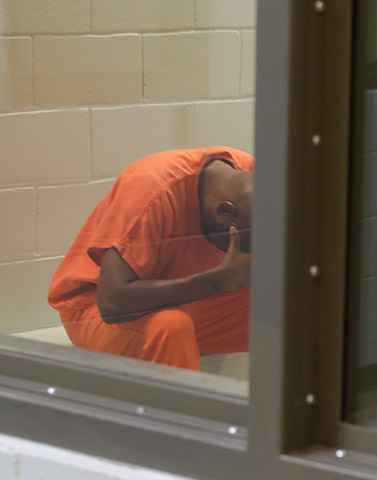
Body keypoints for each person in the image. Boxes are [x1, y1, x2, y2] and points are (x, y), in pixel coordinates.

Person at [47, 147, 255, 371]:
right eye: (251, 242)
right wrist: (215, 282)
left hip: (189, 297)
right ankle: (177, 405)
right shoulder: (151, 188)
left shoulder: (258, 177)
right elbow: (113, 302)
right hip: (95, 305)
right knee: (170, 327)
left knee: (288, 307)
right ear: (225, 213)